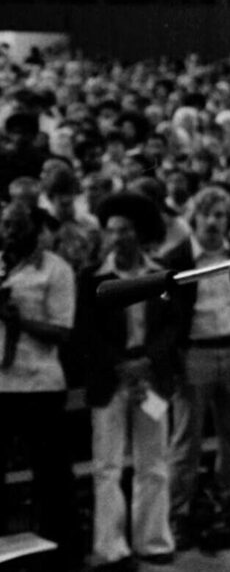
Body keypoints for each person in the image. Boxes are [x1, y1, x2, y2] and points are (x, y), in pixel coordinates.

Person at [87, 192, 183, 570]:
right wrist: (120, 364)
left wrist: (148, 359)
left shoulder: (158, 273)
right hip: (111, 380)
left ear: (138, 234)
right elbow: (88, 332)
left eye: (125, 231)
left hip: (151, 378)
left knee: (154, 461)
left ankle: (153, 540)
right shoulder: (94, 278)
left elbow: (174, 324)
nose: (118, 237)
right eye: (112, 231)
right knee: (107, 465)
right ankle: (111, 547)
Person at [161, 185, 230, 546]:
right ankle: (177, 515)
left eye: (220, 215)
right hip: (194, 354)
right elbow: (167, 318)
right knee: (186, 440)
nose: (214, 223)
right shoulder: (177, 257)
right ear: (194, 218)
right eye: (207, 215)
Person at [0, 198, 80, 566]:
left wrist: (20, 321)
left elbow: (63, 331)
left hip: (39, 386)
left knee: (51, 478)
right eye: (4, 224)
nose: (7, 232)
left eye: (15, 225)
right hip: (1, 384)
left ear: (34, 228)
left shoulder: (56, 269)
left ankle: (60, 554)